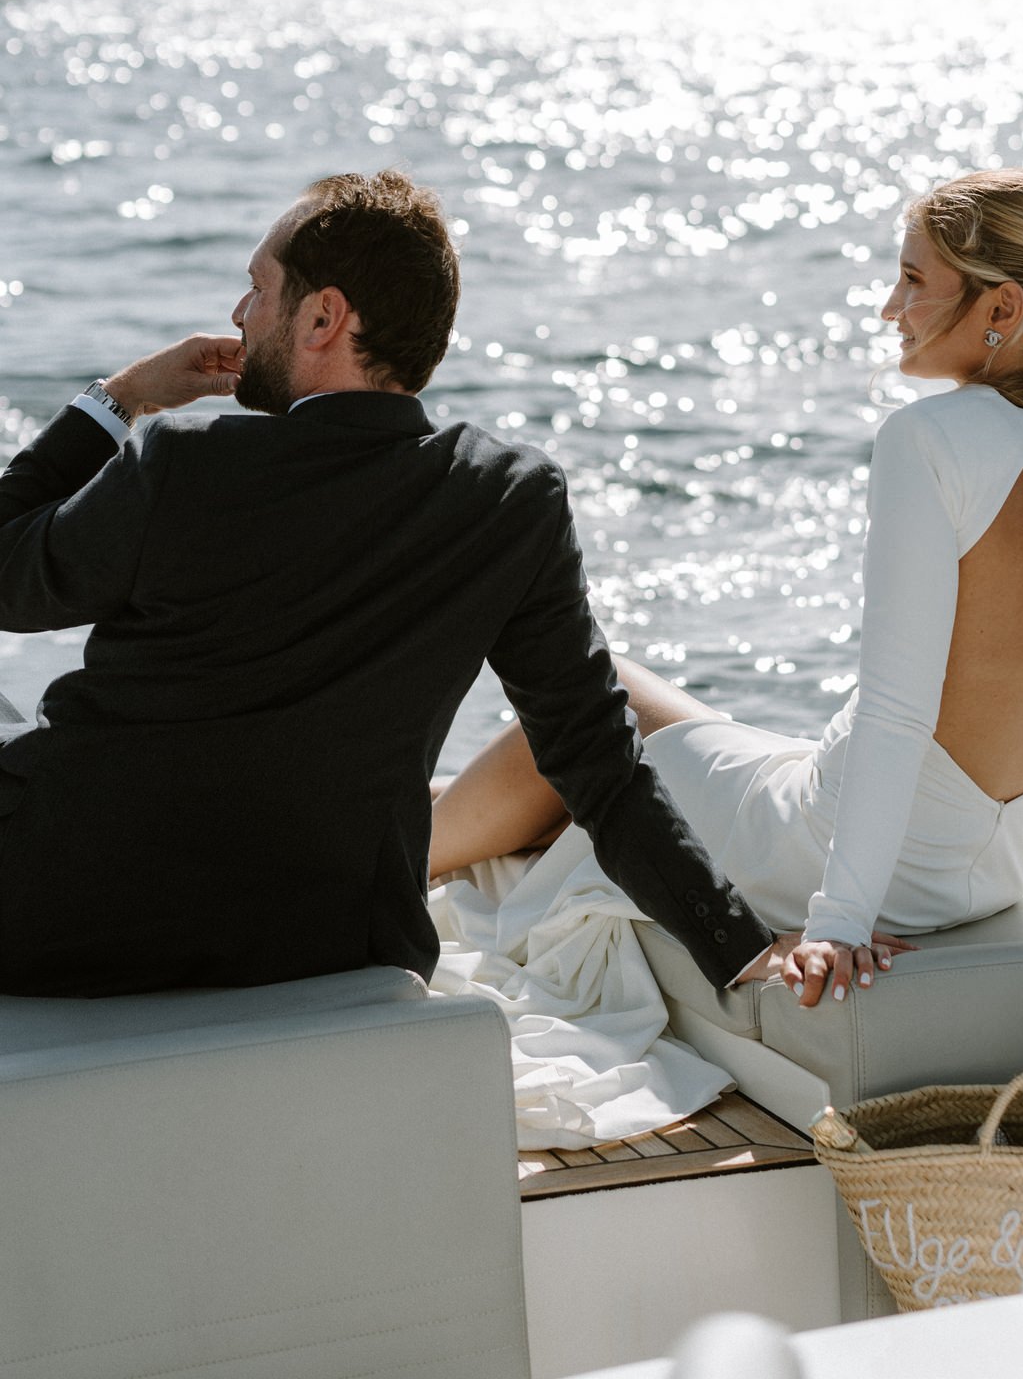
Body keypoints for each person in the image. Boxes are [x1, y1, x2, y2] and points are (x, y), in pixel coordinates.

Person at [430, 169, 1023, 1004]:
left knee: (590, 714)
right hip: (998, 866)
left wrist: (837, 922)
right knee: (660, 713)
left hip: (855, 858)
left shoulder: (927, 439)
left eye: (914, 280)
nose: (890, 308)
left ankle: (401, 862)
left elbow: (895, 709)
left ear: (1000, 307)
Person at [0, 170, 775, 997]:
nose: (239, 313)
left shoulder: (181, 465)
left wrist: (120, 398)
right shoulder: (507, 499)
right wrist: (738, 946)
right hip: (326, 938)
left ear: (323, 317)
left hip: (49, 922)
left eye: (258, 288)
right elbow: (594, 757)